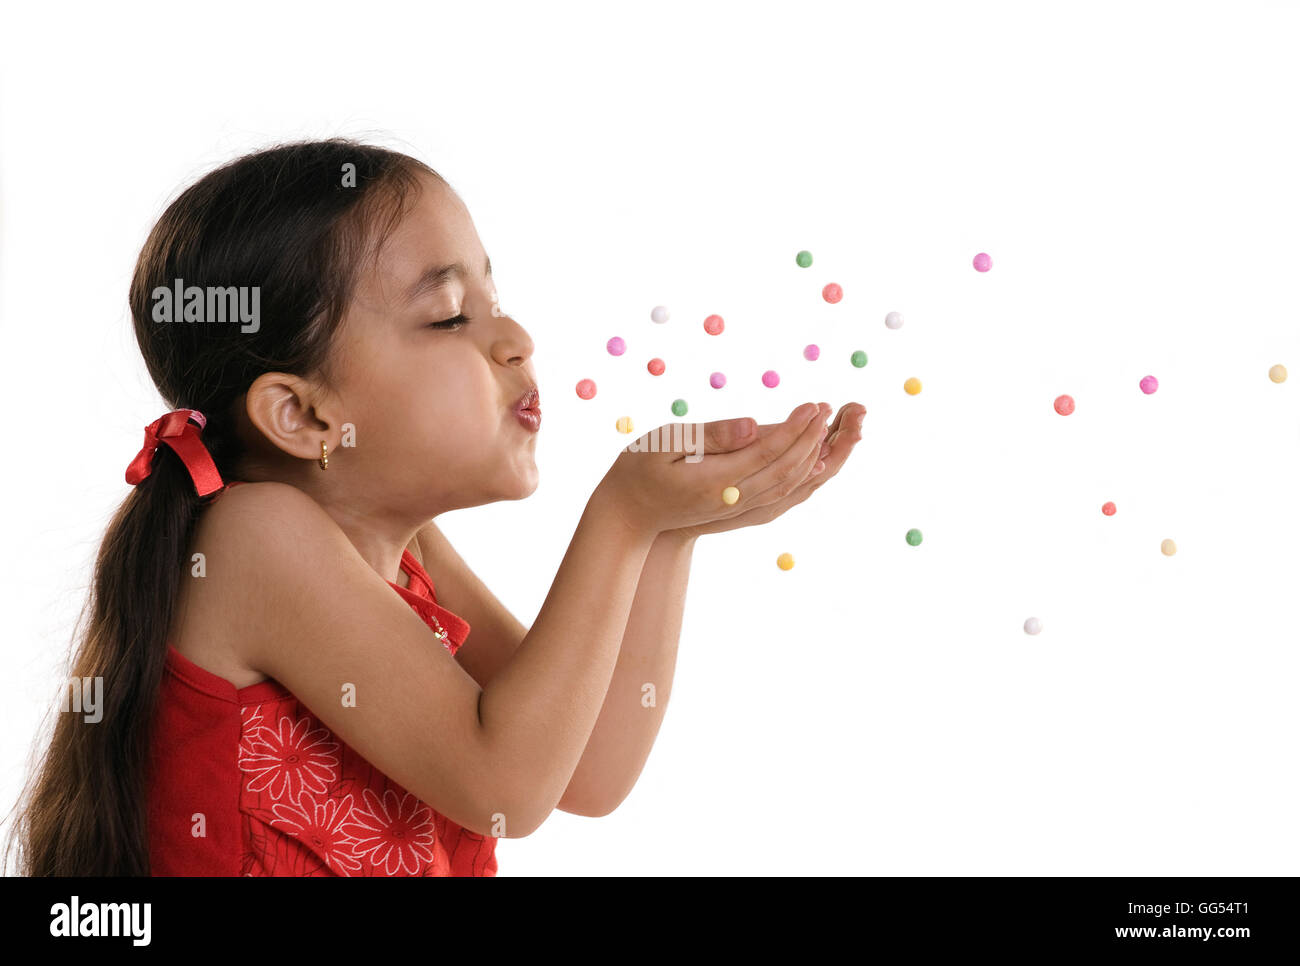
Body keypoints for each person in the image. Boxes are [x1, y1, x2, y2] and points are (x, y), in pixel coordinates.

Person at [2, 137, 865, 876]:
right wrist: (623, 515)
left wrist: (671, 529)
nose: (516, 338)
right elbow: (505, 792)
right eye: (450, 316)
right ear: (303, 415)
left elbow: (586, 771)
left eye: (493, 298)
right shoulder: (251, 538)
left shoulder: (411, 555)